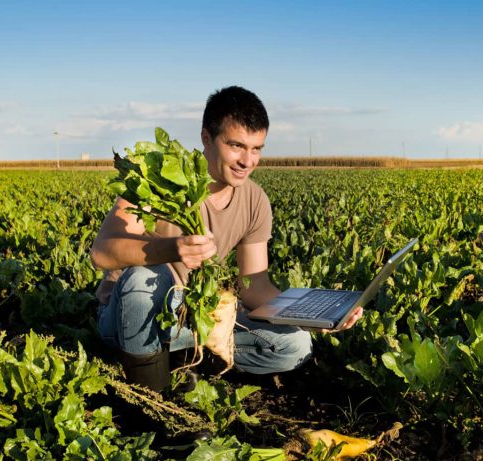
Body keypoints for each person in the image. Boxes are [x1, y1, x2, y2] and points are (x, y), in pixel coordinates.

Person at [90, 86, 363, 392]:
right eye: (236, 145)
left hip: (195, 317)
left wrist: (317, 316)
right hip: (131, 315)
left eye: (257, 148)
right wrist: (172, 249)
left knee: (294, 345)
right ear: (207, 138)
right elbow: (101, 253)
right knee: (144, 278)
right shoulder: (159, 179)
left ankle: (180, 361)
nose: (248, 160)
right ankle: (153, 401)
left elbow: (254, 285)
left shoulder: (255, 199)